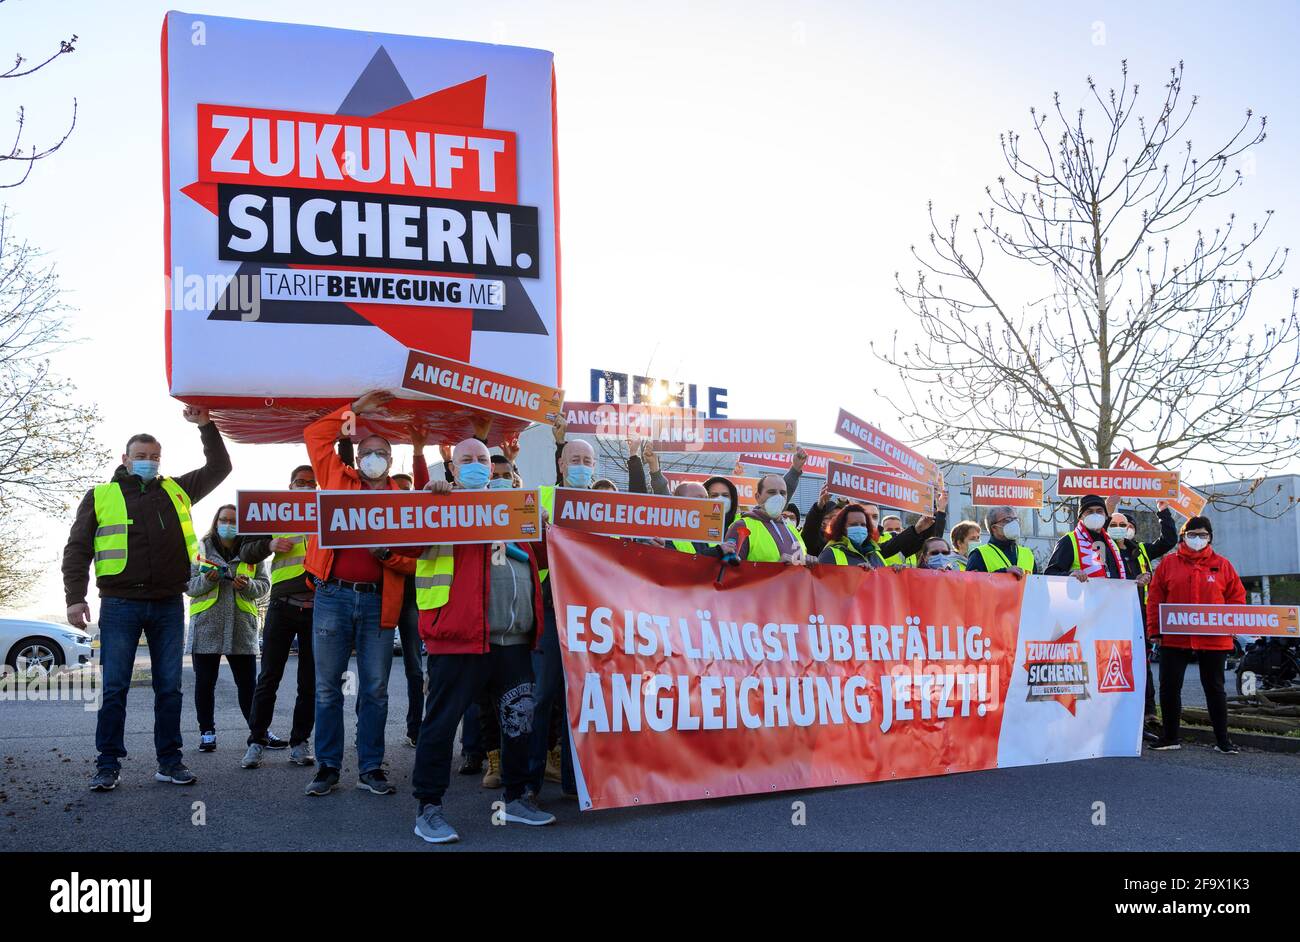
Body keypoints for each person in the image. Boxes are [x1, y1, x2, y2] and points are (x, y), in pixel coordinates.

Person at [63, 405, 231, 792]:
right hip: (120, 604)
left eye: (154, 457)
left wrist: (206, 426)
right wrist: (75, 597)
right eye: (141, 457)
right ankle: (107, 764)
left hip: (169, 603)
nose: (149, 463)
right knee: (115, 687)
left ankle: (169, 761)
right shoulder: (101, 496)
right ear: (125, 459)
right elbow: (77, 549)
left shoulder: (176, 490)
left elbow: (220, 467)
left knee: (169, 687)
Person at [410, 436, 554, 844]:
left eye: (480, 460)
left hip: (514, 640)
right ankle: (429, 808)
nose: (475, 465)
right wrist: (426, 502)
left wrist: (539, 525)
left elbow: (541, 559)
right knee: (440, 725)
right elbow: (406, 547)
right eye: (465, 460)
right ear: (452, 469)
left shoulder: (516, 507)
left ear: (491, 470)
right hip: (458, 639)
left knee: (518, 722)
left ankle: (516, 799)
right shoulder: (436, 506)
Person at [301, 389, 414, 797]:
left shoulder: (405, 502)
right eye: (367, 450)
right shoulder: (335, 479)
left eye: (381, 451)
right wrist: (354, 410)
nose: (373, 457)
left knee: (375, 690)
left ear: (391, 461)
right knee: (328, 687)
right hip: (332, 597)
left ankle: (371, 768)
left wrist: (387, 556)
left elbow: (415, 561)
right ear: (357, 455)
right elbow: (315, 435)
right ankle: (327, 767)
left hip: (379, 603)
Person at [239, 464, 319, 769]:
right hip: (282, 606)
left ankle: (300, 742)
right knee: (269, 677)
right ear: (290, 485)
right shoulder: (274, 511)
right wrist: (269, 544)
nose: (306, 486)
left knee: (309, 682)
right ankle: (256, 741)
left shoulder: (327, 510)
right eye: (300, 482)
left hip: (317, 606)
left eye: (311, 483)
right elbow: (246, 552)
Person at [1145, 516, 1244, 754]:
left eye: (1203, 535)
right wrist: (1155, 629)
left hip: (1214, 638)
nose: (1197, 539)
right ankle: (1170, 737)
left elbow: (1236, 597)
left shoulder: (1222, 565)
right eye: (1193, 534)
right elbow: (1156, 597)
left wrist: (1230, 625)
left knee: (1215, 688)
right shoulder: (1168, 564)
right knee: (1169, 687)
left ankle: (1223, 741)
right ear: (1183, 536)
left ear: (1210, 538)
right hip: (1174, 636)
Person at [187, 504, 269, 753]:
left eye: (234, 520)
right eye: (223, 519)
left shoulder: (252, 552)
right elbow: (188, 586)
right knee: (205, 684)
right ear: (216, 521)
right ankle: (207, 733)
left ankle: (258, 732)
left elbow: (264, 586)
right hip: (207, 626)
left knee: (248, 686)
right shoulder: (199, 549)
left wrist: (246, 586)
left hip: (241, 627)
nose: (228, 524)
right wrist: (206, 580)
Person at [1109, 501, 1178, 734]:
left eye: (1127, 525)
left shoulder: (1141, 550)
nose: (1123, 528)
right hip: (1113, 616)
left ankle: (1149, 712)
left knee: (1142, 665)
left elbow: (1169, 540)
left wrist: (1163, 512)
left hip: (1141, 614)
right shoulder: (1105, 549)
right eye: (1117, 524)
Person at [725, 474, 810, 564]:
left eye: (782, 493)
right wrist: (774, 568)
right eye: (772, 492)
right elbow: (729, 572)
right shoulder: (741, 527)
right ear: (758, 497)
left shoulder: (791, 528)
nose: (778, 497)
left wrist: (810, 564)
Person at [1046, 494, 1128, 580]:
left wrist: (1137, 579)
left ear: (1106, 516)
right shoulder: (1068, 541)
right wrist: (1070, 575)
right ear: (1080, 517)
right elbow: (1050, 574)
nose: (1095, 515)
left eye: (1099, 511)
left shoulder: (1111, 543)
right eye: (1089, 512)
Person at [966, 506, 1036, 576]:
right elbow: (971, 584)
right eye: (1007, 520)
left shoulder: (1028, 554)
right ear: (994, 528)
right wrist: (1003, 573)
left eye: (1015, 519)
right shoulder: (978, 555)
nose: (1014, 523)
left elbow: (1039, 583)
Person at [817, 504, 883, 567]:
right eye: (854, 525)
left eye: (863, 525)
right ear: (842, 528)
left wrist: (892, 571)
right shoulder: (830, 554)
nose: (859, 528)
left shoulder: (876, 553)